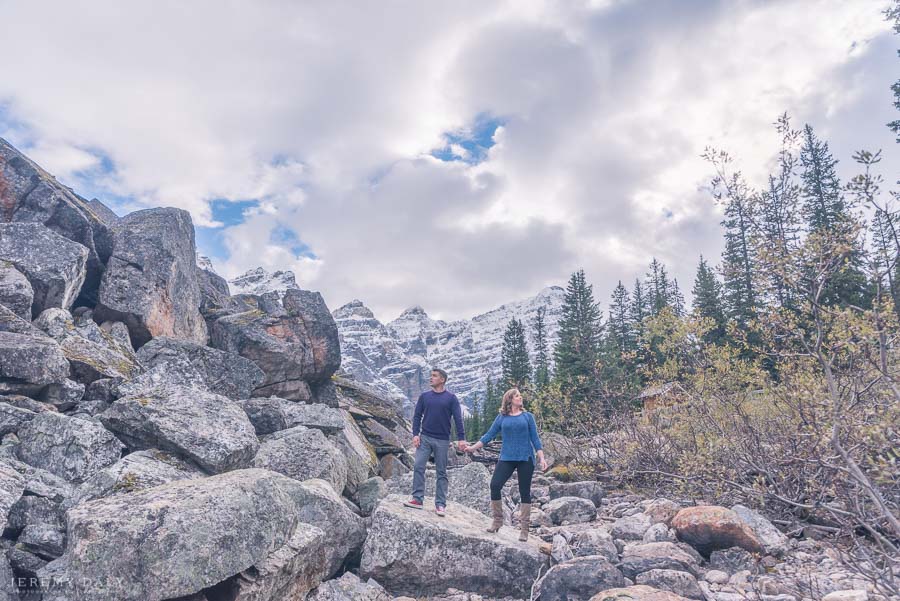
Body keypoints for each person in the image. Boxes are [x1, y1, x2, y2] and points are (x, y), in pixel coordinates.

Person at [466, 387, 547, 541]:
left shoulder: (528, 417)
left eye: (520, 395)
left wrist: (542, 458)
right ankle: (497, 521)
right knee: (495, 485)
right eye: (517, 396)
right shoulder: (502, 417)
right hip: (507, 457)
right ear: (510, 400)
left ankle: (524, 530)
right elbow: (489, 435)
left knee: (524, 491)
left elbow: (535, 439)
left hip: (526, 458)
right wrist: (472, 448)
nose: (520, 397)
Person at [404, 368, 468, 516]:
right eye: (431, 376)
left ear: (442, 380)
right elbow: (417, 416)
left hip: (443, 440)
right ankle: (417, 499)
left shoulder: (451, 398)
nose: (431, 378)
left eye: (434, 376)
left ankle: (440, 504)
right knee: (419, 466)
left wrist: (461, 438)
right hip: (425, 437)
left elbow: (458, 419)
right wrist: (415, 434)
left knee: (441, 472)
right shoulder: (424, 397)